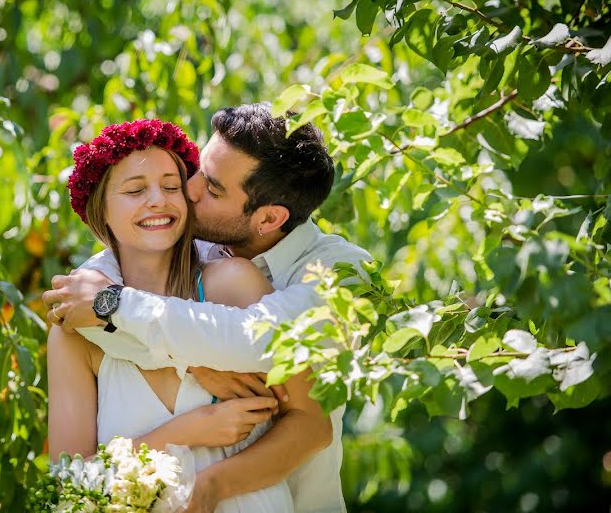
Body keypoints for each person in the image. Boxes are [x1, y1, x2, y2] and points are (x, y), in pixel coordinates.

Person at [44, 103, 372, 513]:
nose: (185, 193)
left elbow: (261, 345)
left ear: (269, 219)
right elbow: (67, 485)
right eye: (194, 173)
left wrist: (178, 355)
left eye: (206, 187)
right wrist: (187, 426)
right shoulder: (88, 314)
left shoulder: (332, 274)